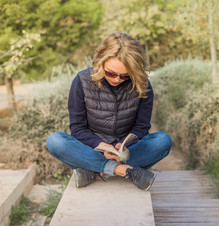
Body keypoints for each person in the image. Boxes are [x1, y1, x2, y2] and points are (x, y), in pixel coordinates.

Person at [46, 32, 172, 191]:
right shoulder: (82, 81)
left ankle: (94, 171)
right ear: (100, 61)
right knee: (55, 141)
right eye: (111, 73)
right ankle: (123, 170)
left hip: (126, 152)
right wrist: (101, 146)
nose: (116, 79)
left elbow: (141, 127)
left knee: (163, 141)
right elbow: (77, 128)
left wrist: (125, 146)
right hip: (92, 149)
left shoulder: (142, 84)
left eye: (124, 76)